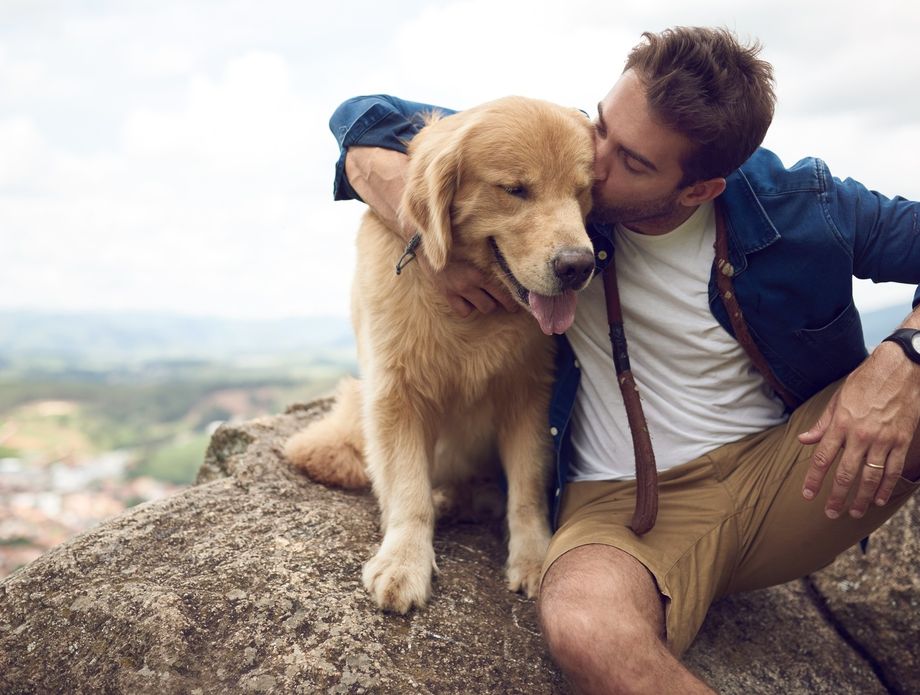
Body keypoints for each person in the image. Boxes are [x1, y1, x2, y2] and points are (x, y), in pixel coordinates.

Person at [326, 26, 920, 694]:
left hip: (788, 469)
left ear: (700, 189)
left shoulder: (802, 206)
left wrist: (905, 357)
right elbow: (362, 119)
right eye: (601, 124)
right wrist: (418, 228)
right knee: (587, 628)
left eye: (632, 162)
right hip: (619, 502)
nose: (594, 165)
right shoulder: (565, 164)